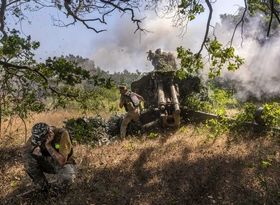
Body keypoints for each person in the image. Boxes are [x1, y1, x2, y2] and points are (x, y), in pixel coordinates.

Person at [22, 122, 76, 192]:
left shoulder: (62, 134)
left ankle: (58, 191)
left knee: (67, 178)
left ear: (50, 134)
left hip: (64, 163)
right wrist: (36, 154)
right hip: (47, 162)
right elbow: (26, 152)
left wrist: (48, 145)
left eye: (43, 141)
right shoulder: (36, 135)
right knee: (28, 160)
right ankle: (43, 187)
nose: (41, 143)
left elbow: (62, 161)